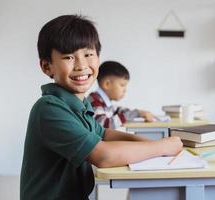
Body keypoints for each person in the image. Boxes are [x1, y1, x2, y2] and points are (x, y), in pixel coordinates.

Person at [20, 14, 183, 200]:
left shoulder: (80, 103)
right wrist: (162, 147)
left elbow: (104, 133)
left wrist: (151, 144)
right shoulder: (49, 108)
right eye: (68, 57)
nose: (81, 66)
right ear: (47, 66)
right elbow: (103, 157)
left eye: (88, 54)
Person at [88, 61, 156, 128]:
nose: (125, 90)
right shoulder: (94, 101)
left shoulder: (105, 102)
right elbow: (105, 124)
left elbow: (119, 110)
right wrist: (136, 113)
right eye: (122, 85)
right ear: (107, 84)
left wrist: (140, 113)